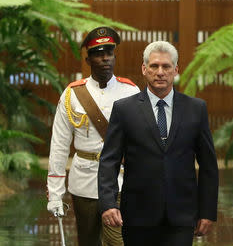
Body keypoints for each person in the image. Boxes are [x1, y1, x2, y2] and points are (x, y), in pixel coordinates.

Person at [98, 41, 219, 246]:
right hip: (137, 215)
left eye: (166, 66)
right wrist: (108, 203)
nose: (160, 72)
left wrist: (207, 212)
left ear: (176, 70)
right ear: (144, 69)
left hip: (181, 215)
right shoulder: (124, 110)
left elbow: (208, 166)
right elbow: (109, 161)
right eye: (154, 66)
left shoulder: (195, 109)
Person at [47, 26, 140, 246]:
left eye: (109, 53)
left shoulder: (131, 91)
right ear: (88, 60)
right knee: (88, 241)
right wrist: (55, 194)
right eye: (98, 54)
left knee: (119, 240)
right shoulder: (72, 94)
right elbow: (59, 145)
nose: (105, 58)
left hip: (121, 179)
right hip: (85, 181)